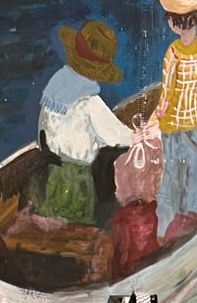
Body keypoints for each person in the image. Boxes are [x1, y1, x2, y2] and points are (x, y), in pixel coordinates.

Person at [35, 20, 133, 224]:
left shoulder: (56, 85)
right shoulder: (89, 102)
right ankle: (104, 222)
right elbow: (119, 137)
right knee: (114, 156)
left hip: (52, 175)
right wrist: (142, 135)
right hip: (78, 182)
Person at [151, 0, 197, 237]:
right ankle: (190, 224)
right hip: (195, 125)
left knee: (171, 176)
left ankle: (165, 228)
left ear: (173, 22)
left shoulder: (173, 53)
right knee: (194, 175)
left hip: (171, 125)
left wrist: (156, 118)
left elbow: (167, 94)